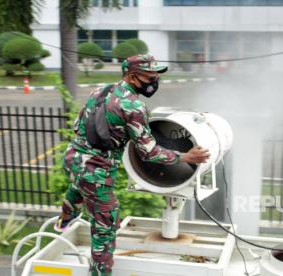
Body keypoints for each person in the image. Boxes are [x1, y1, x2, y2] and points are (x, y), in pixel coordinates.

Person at [54, 54, 210, 276]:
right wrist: (185, 157)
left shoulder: (101, 90)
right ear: (133, 76)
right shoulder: (134, 107)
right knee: (106, 228)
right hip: (95, 171)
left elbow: (79, 125)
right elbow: (149, 152)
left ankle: (64, 219)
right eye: (151, 75)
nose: (155, 79)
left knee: (78, 186)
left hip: (72, 158)